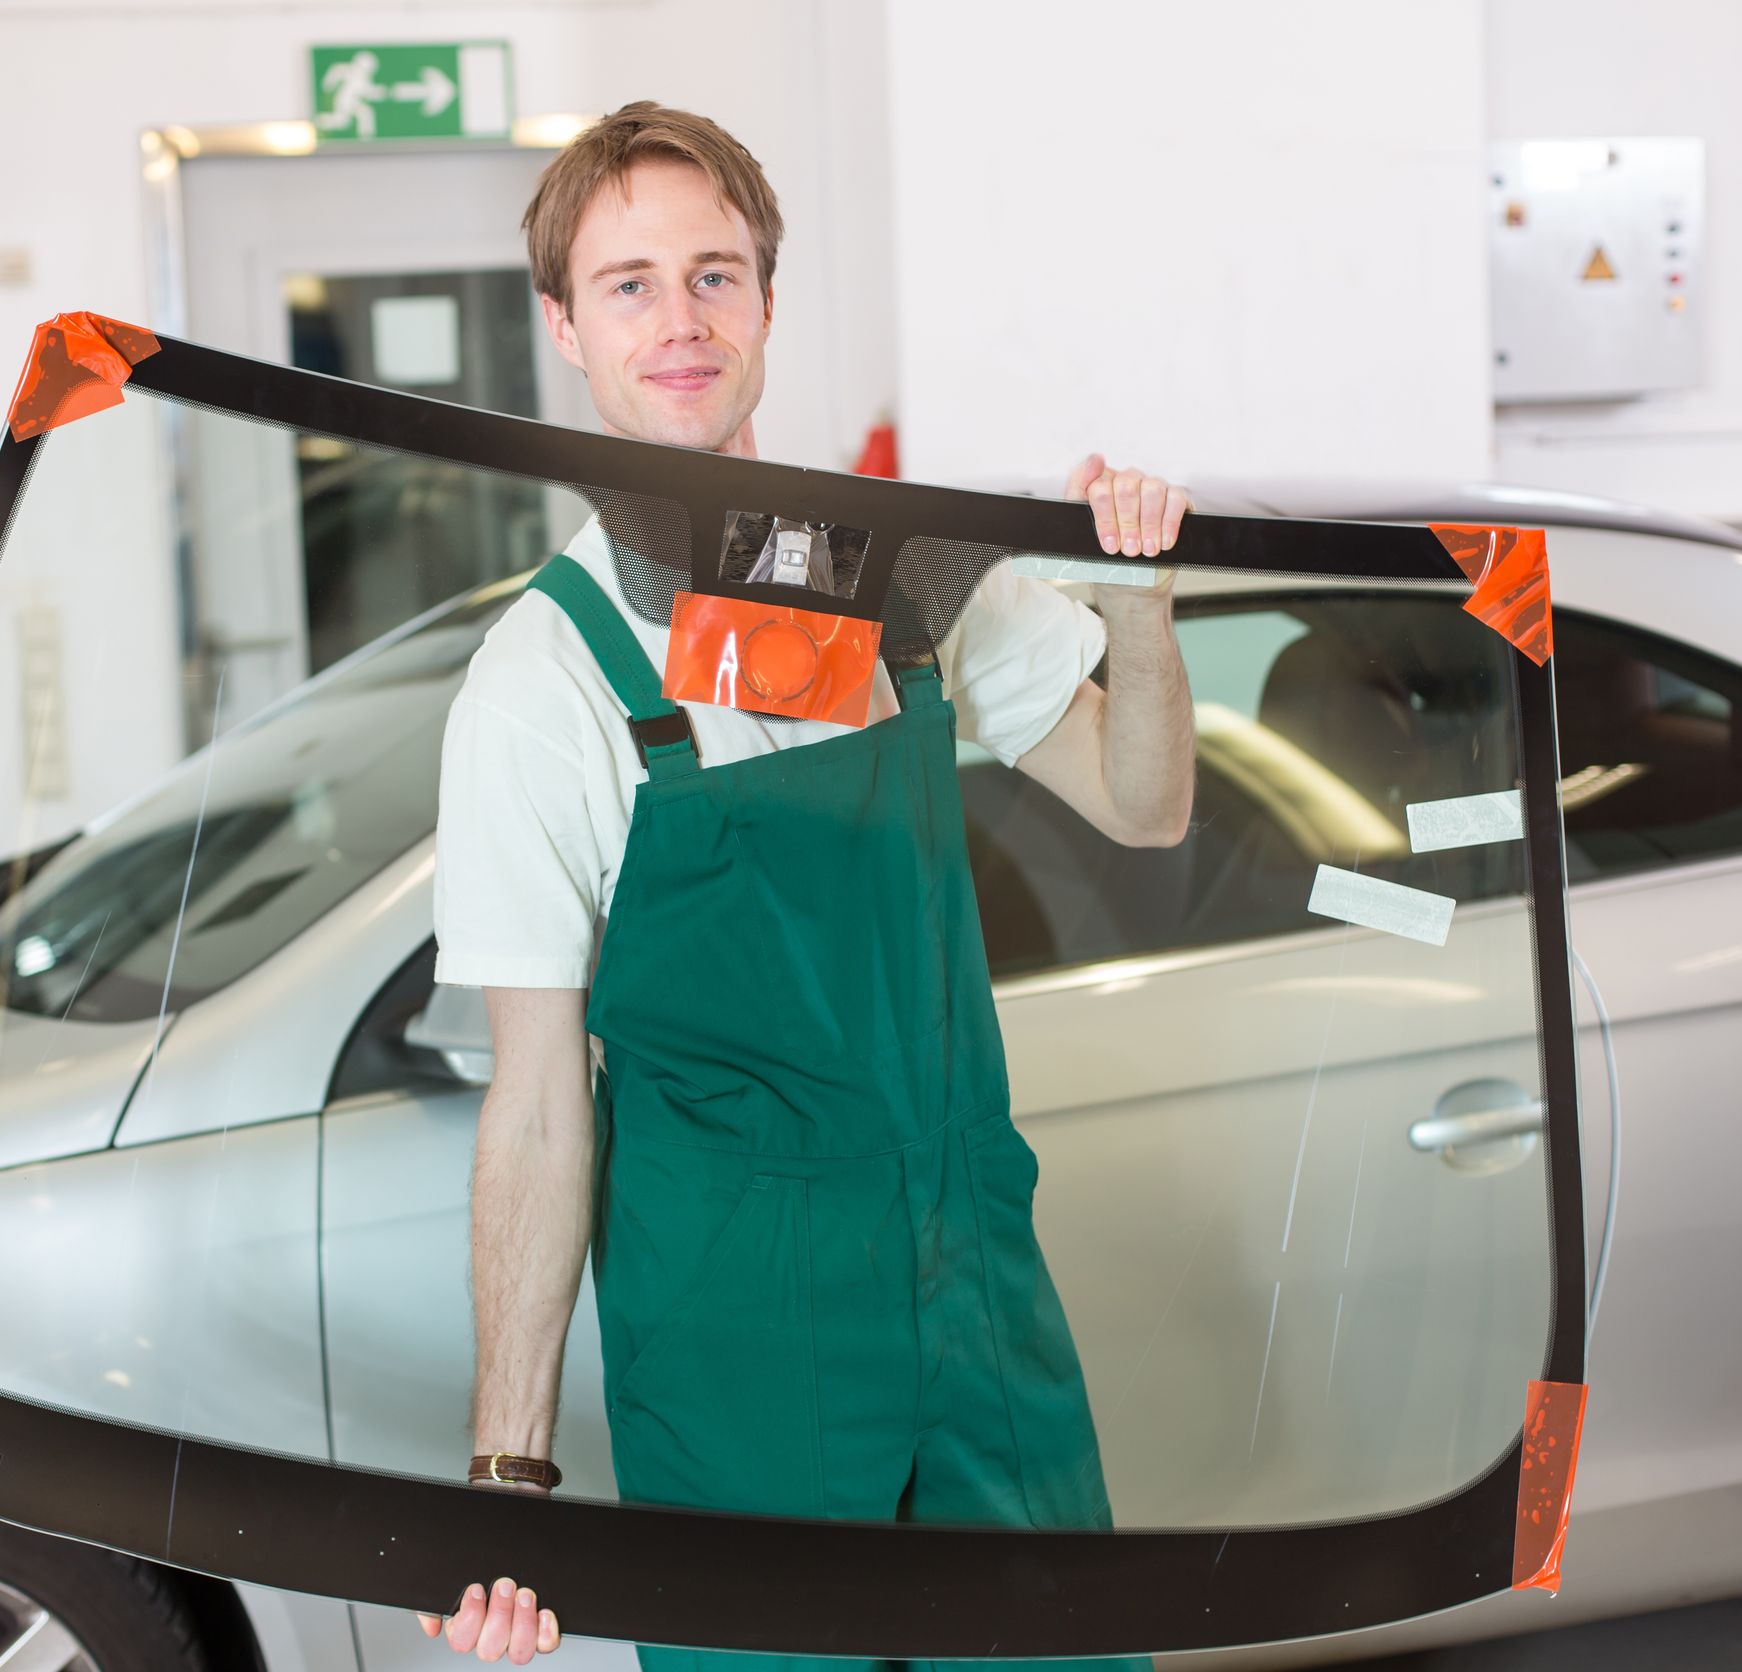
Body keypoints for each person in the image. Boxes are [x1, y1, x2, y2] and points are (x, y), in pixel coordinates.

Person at [421, 102, 1196, 1670]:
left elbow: (1145, 802)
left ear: (768, 301)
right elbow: (537, 1105)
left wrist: (1146, 608)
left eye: (716, 274)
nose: (682, 321)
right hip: (736, 1342)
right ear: (563, 326)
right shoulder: (541, 682)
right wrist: (509, 1480)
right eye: (629, 284)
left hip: (972, 1282)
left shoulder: (907, 574)